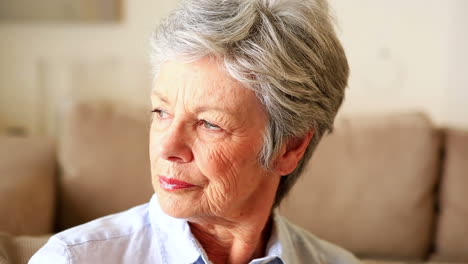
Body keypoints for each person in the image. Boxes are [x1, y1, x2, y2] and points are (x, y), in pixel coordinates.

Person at [30, 0, 359, 263]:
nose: (167, 148)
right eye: (161, 112)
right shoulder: (72, 258)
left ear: (289, 148)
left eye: (209, 124)